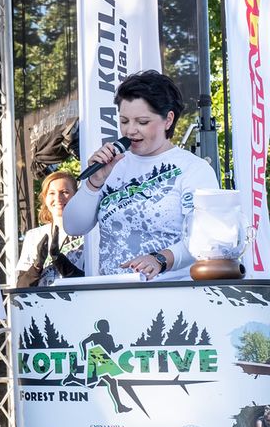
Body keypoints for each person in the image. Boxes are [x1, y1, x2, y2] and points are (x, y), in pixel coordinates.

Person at [62, 70, 218, 281]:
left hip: (171, 291)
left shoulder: (193, 169)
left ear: (168, 120)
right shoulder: (113, 164)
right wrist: (94, 182)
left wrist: (161, 259)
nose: (130, 130)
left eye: (142, 122)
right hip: (111, 291)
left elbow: (205, 237)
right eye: (124, 121)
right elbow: (73, 227)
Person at [15, 171, 84, 287]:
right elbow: (21, 287)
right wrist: (37, 266)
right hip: (44, 298)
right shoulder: (34, 235)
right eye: (52, 193)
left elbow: (92, 281)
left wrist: (59, 260)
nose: (58, 198)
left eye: (65, 192)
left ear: (76, 196)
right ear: (45, 198)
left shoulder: (88, 233)